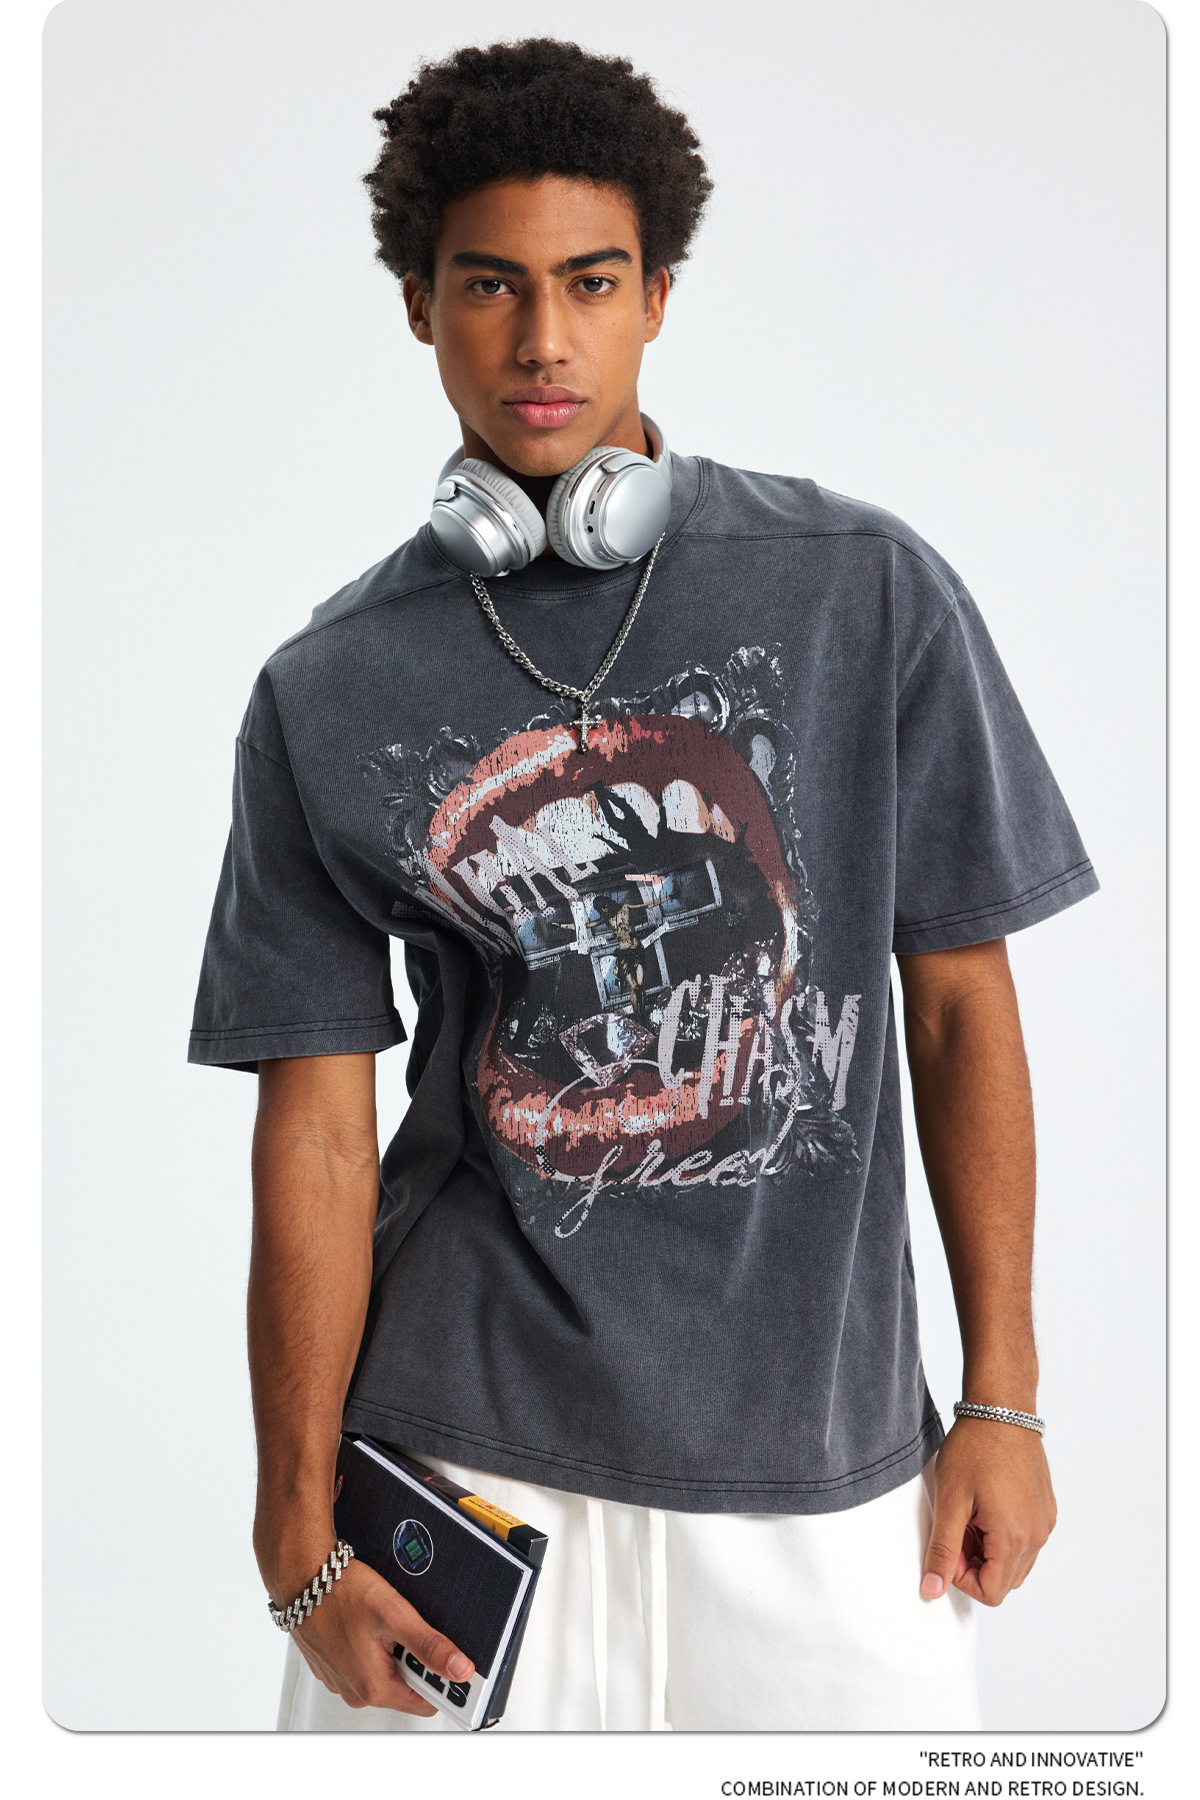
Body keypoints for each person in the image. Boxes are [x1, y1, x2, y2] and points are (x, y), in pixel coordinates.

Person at [189, 38, 1097, 1732]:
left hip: (824, 1481)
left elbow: (962, 1006)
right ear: (418, 303)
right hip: (465, 1473)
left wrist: (1007, 1399)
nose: (543, 340)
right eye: (491, 285)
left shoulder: (861, 592)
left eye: (591, 283)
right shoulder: (328, 685)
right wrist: (294, 1524)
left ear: (658, 297)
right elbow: (314, 1126)